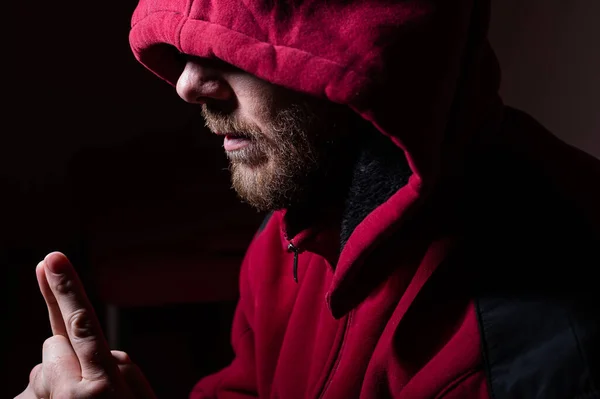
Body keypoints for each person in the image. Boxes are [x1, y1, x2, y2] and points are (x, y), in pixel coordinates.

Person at [17, 0, 600, 398]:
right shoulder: (306, 216)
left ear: (373, 43)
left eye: (243, 39)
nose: (188, 84)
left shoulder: (522, 337)